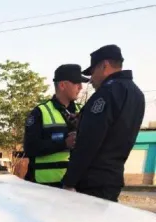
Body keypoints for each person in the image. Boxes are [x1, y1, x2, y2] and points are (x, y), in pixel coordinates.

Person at [62, 45, 145, 202]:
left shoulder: (106, 93)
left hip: (92, 182)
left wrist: (69, 181)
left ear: (104, 65)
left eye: (92, 72)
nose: (91, 80)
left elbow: (89, 141)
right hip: (112, 179)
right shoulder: (136, 93)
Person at [23, 64, 88, 187]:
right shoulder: (40, 112)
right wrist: (64, 143)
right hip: (45, 188)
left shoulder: (84, 112)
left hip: (75, 187)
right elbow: (30, 148)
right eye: (77, 83)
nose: (80, 87)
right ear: (62, 85)